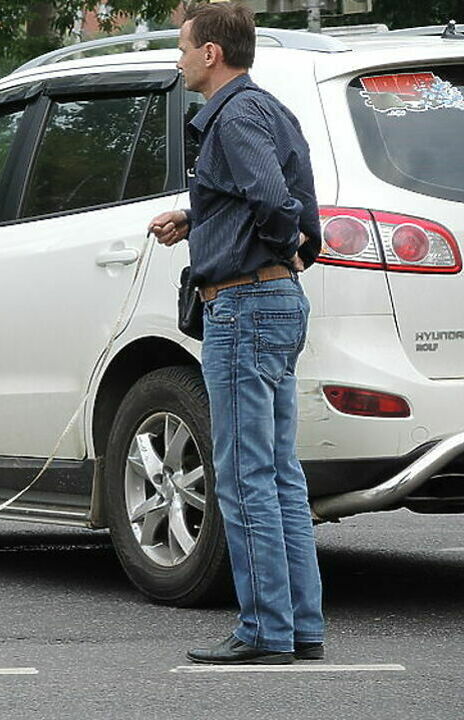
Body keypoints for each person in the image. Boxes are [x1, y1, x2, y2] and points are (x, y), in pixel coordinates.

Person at [148, 2, 324, 666]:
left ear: (211, 54)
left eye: (184, 46)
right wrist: (196, 219)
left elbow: (277, 204)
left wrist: (274, 246)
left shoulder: (237, 116)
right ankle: (299, 625)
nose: (179, 58)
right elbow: (290, 203)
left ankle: (263, 630)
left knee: (245, 475)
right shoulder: (268, 109)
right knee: (278, 474)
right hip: (273, 300)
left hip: (246, 308)